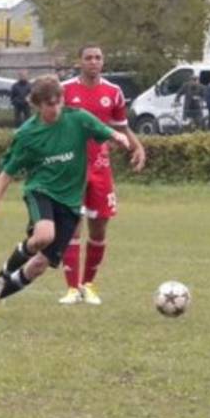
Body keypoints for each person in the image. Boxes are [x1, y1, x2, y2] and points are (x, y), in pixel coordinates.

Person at [0, 75, 131, 319]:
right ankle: (1, 276)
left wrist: (118, 136)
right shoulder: (28, 134)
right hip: (41, 191)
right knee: (44, 236)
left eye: (58, 102)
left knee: (38, 266)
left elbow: (105, 130)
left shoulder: (77, 118)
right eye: (48, 104)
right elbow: (8, 172)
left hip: (71, 201)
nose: (54, 108)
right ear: (37, 104)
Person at [58, 45, 145, 305]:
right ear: (80, 61)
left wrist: (138, 147)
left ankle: (88, 285)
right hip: (71, 166)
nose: (93, 62)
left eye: (98, 58)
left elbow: (121, 127)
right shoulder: (64, 90)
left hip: (100, 166)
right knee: (73, 225)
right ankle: (72, 288)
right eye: (88, 58)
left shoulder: (113, 92)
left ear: (103, 61)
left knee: (99, 227)